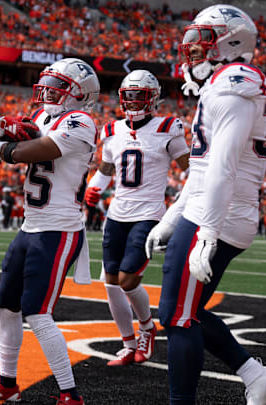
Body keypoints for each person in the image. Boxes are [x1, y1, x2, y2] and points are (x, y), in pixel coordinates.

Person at [143, 5, 266, 404]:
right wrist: (172, 218)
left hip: (220, 212)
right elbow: (205, 169)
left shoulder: (236, 82)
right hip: (212, 206)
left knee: (178, 316)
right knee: (185, 310)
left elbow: (223, 165)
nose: (191, 50)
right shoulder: (224, 81)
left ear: (231, 41)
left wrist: (207, 230)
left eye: (202, 40)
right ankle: (254, 374)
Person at [0, 58, 99, 405]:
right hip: (31, 226)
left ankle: (70, 394)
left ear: (79, 93)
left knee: (37, 311)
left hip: (59, 229)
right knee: (6, 305)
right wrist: (0, 126)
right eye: (48, 85)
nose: (48, 92)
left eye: (58, 87)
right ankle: (7, 384)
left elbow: (37, 150)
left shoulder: (81, 121)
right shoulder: (44, 117)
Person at [84, 69, 189, 366]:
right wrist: (94, 188)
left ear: (152, 98)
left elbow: (190, 169)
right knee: (111, 281)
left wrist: (183, 207)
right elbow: (106, 170)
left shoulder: (167, 128)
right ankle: (128, 344)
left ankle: (146, 327)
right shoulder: (112, 130)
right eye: (127, 96)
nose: (131, 102)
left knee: (129, 278)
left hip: (148, 214)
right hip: (117, 214)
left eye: (138, 96)